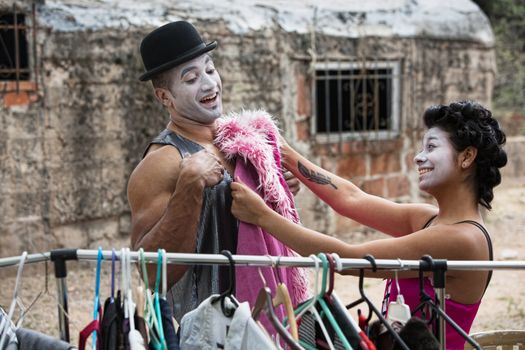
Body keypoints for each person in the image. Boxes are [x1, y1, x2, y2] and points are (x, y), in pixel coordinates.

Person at [231, 100, 507, 349]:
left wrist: (262, 217)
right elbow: (351, 199)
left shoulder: (463, 239)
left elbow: (349, 258)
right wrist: (284, 152)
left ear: (467, 157)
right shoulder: (429, 219)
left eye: (431, 147)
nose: (418, 157)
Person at [127, 21, 300, 323]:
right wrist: (189, 187)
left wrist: (276, 187)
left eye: (210, 69)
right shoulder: (163, 161)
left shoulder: (238, 139)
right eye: (191, 78)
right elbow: (151, 273)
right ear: (164, 97)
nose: (209, 84)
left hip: (269, 315)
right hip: (208, 330)